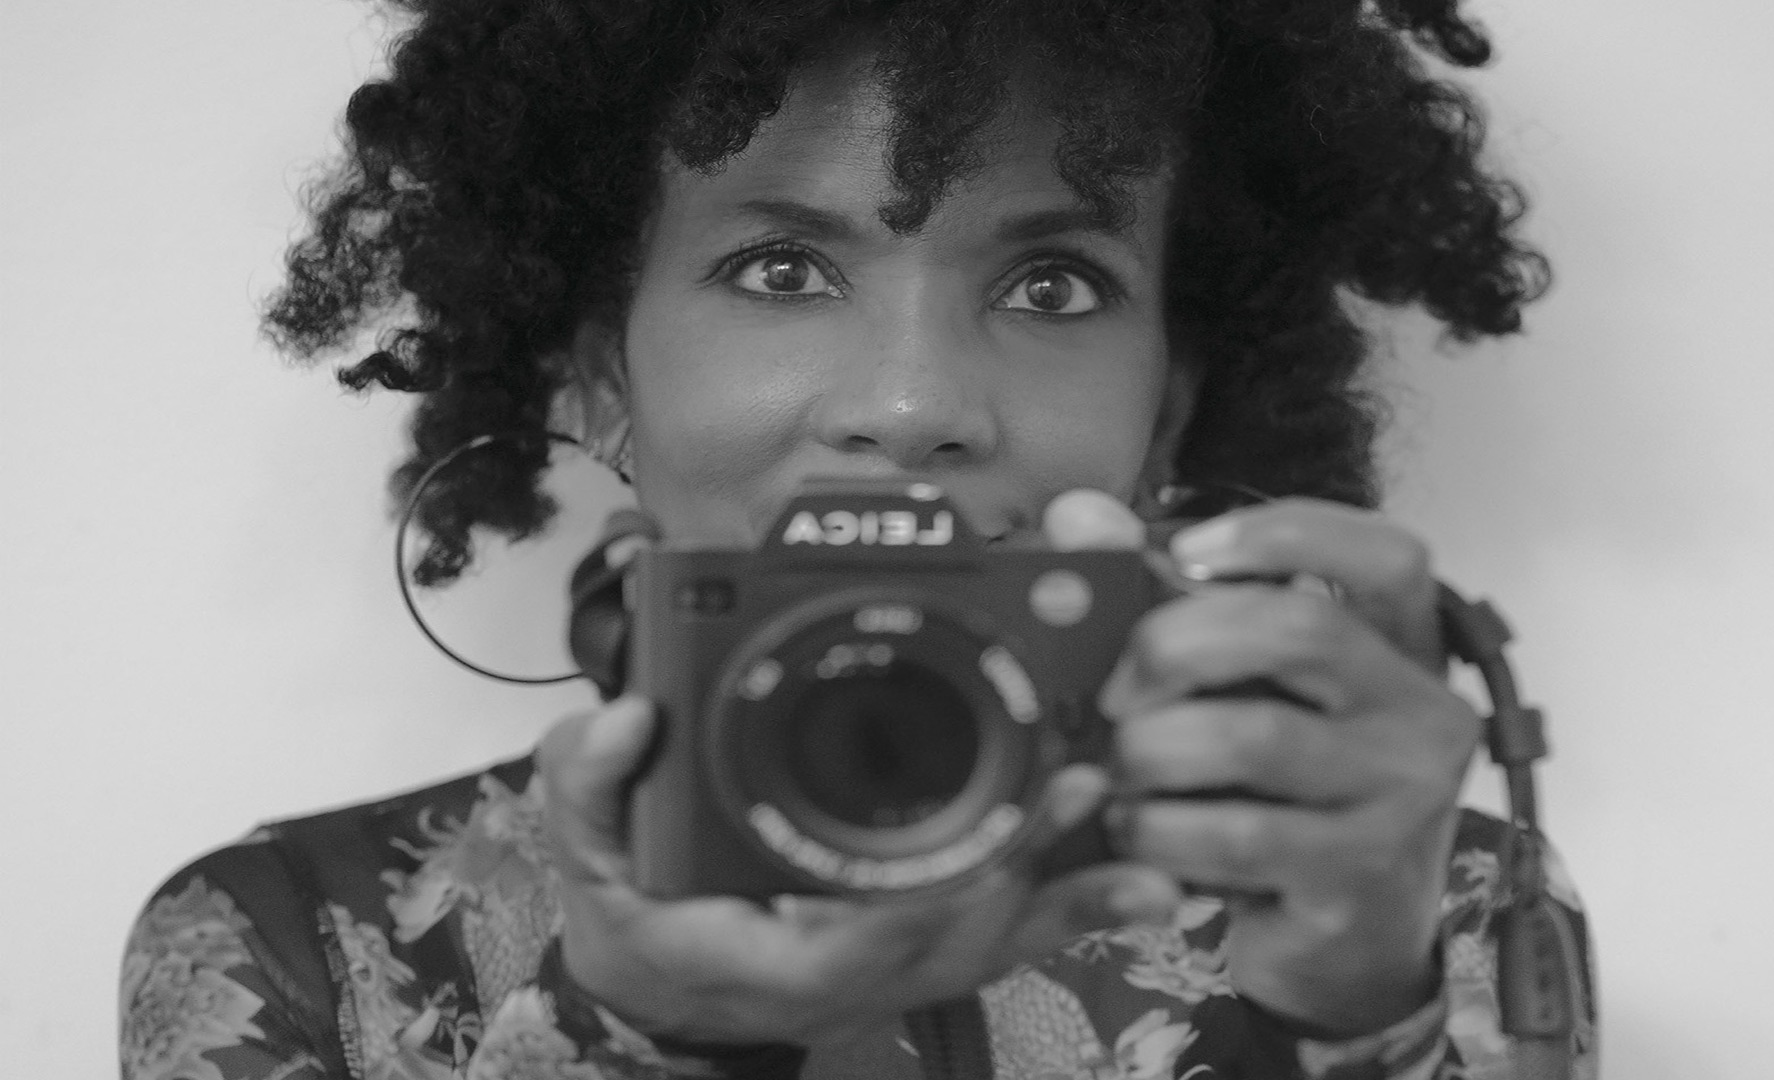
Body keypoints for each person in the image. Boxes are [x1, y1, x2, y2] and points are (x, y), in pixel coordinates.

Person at [119, 1, 1596, 1077]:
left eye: (1055, 288)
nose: (913, 404)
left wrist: (1368, 1026)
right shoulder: (279, 939)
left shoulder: (1415, 901)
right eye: (782, 266)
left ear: (1168, 412)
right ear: (597, 373)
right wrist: (642, 1043)